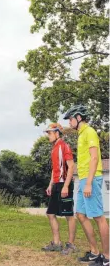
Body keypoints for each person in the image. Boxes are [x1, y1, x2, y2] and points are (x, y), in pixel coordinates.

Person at [63, 105, 109, 266]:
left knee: (98, 217)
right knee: (81, 215)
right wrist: (82, 180)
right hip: (83, 180)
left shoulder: (89, 132)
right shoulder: (81, 134)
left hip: (92, 179)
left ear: (78, 117)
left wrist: (89, 182)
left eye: (70, 118)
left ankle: (107, 258)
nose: (69, 122)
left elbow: (95, 158)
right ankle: (95, 252)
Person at [42, 123, 77, 255]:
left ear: (57, 133)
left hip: (64, 184)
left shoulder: (64, 146)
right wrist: (50, 184)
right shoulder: (54, 148)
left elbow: (71, 166)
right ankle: (57, 244)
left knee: (68, 215)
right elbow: (54, 169)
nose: (48, 136)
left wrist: (66, 186)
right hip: (56, 184)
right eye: (48, 133)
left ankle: (71, 245)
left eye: (50, 133)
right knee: (50, 213)